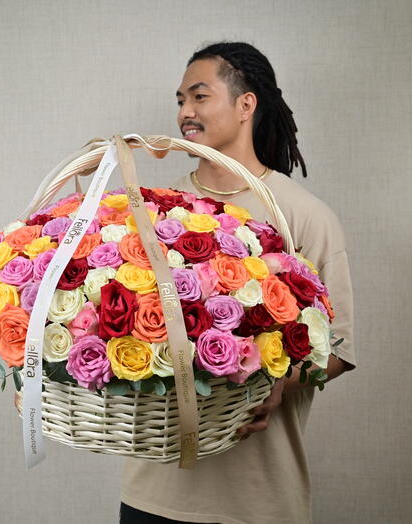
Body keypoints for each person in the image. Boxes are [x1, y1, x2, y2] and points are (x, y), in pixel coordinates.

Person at [119, 41, 357, 524]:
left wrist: (281, 382)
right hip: (153, 495)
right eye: (181, 100)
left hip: (257, 502)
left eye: (199, 97)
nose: (185, 111)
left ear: (246, 104)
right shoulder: (155, 209)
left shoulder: (304, 216)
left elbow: (338, 350)